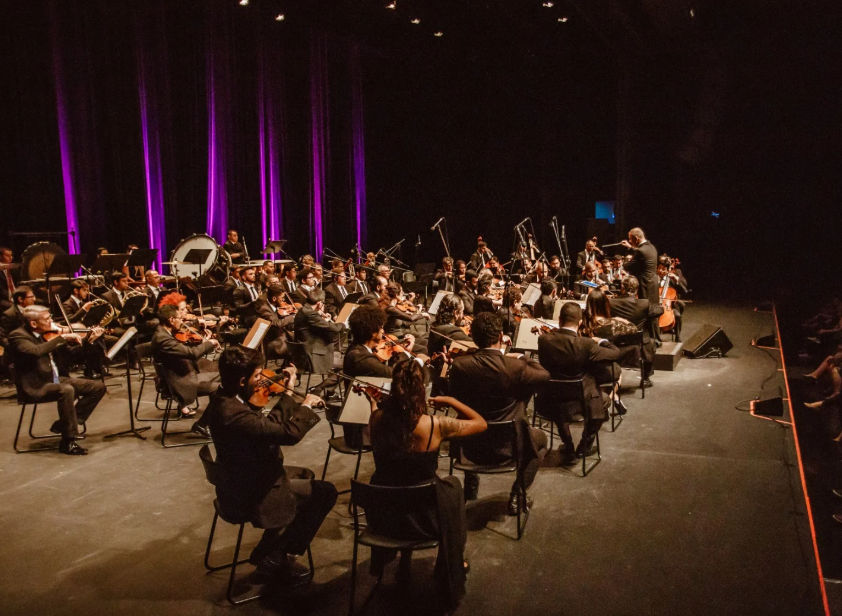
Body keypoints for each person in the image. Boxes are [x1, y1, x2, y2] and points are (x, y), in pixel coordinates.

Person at [204, 346, 336, 585]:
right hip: (250, 492)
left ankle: (270, 544)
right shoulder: (233, 414)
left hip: (241, 475)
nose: (264, 379)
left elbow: (265, 428)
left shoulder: (224, 397)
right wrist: (305, 406)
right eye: (257, 376)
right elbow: (288, 434)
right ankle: (276, 556)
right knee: (325, 492)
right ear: (243, 380)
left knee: (306, 475)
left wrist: (287, 393)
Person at [365, 359, 486, 610]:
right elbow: (480, 423)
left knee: (419, 486)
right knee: (452, 486)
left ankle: (404, 563)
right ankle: (452, 563)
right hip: (425, 517)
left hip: (385, 516)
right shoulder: (434, 425)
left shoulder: (375, 419)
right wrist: (450, 401)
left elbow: (387, 417)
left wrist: (376, 402)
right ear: (421, 389)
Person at [448, 312, 550, 514]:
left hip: (468, 447)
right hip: (508, 446)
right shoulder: (515, 366)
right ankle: (517, 494)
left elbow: (454, 397)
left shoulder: (460, 365)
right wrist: (520, 357)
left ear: (473, 337)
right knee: (540, 442)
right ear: (501, 336)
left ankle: (470, 486)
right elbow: (544, 375)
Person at [7, 305, 106, 455]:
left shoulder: (48, 335)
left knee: (98, 387)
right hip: (37, 385)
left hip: (55, 379)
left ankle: (63, 425)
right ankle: (68, 441)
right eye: (47, 319)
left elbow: (73, 356)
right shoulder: (18, 336)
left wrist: (89, 342)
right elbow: (36, 351)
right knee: (66, 390)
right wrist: (63, 337)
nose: (52, 322)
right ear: (33, 323)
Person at [537, 302, 620, 465]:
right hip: (581, 402)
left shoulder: (543, 340)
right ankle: (584, 446)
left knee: (561, 407)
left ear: (559, 320)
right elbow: (615, 354)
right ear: (580, 322)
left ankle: (568, 445)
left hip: (550, 400)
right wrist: (601, 341)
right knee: (604, 400)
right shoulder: (586, 344)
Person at [151, 304, 221, 434]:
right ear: (171, 320)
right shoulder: (162, 338)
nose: (182, 321)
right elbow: (191, 353)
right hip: (179, 382)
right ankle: (203, 424)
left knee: (223, 375)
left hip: (185, 374)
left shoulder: (164, 333)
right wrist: (209, 343)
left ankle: (218, 421)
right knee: (220, 389)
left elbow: (184, 351)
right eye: (179, 318)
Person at [609, 275, 656, 387]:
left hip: (617, 341)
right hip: (637, 343)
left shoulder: (611, 303)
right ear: (636, 289)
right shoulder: (644, 304)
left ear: (622, 288)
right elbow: (659, 310)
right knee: (650, 341)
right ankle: (645, 379)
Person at [293, 289, 344, 375]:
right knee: (346, 366)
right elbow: (333, 328)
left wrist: (319, 314)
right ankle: (320, 388)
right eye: (323, 303)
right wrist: (342, 324)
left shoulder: (303, 310)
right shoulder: (310, 314)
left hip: (303, 347)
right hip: (312, 352)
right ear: (319, 303)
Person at [256, 283, 296, 361]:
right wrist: (292, 317)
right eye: (282, 298)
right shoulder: (264, 309)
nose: (284, 300)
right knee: (298, 348)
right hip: (274, 342)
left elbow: (284, 323)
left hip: (282, 336)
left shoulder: (274, 307)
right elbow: (275, 324)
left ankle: (289, 367)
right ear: (274, 298)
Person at [621, 227, 658, 303]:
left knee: (644, 307)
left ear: (636, 238)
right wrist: (630, 247)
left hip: (644, 285)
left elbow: (628, 266)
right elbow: (642, 253)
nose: (630, 241)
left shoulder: (640, 251)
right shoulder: (651, 247)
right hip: (653, 282)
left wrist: (625, 260)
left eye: (630, 239)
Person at [1, 246, 19, 311]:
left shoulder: (12, 268)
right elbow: (2, 291)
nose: (11, 258)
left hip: (14, 296)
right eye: (7, 256)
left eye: (11, 255)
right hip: (3, 299)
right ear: (0, 256)